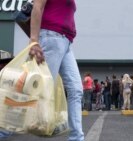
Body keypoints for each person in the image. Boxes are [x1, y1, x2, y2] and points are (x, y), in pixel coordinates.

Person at [29, 0, 84, 140]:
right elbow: (37, 7)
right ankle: (5, 128)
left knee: (76, 89)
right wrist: (34, 40)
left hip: (66, 42)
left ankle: (76, 138)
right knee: (41, 89)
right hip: (51, 37)